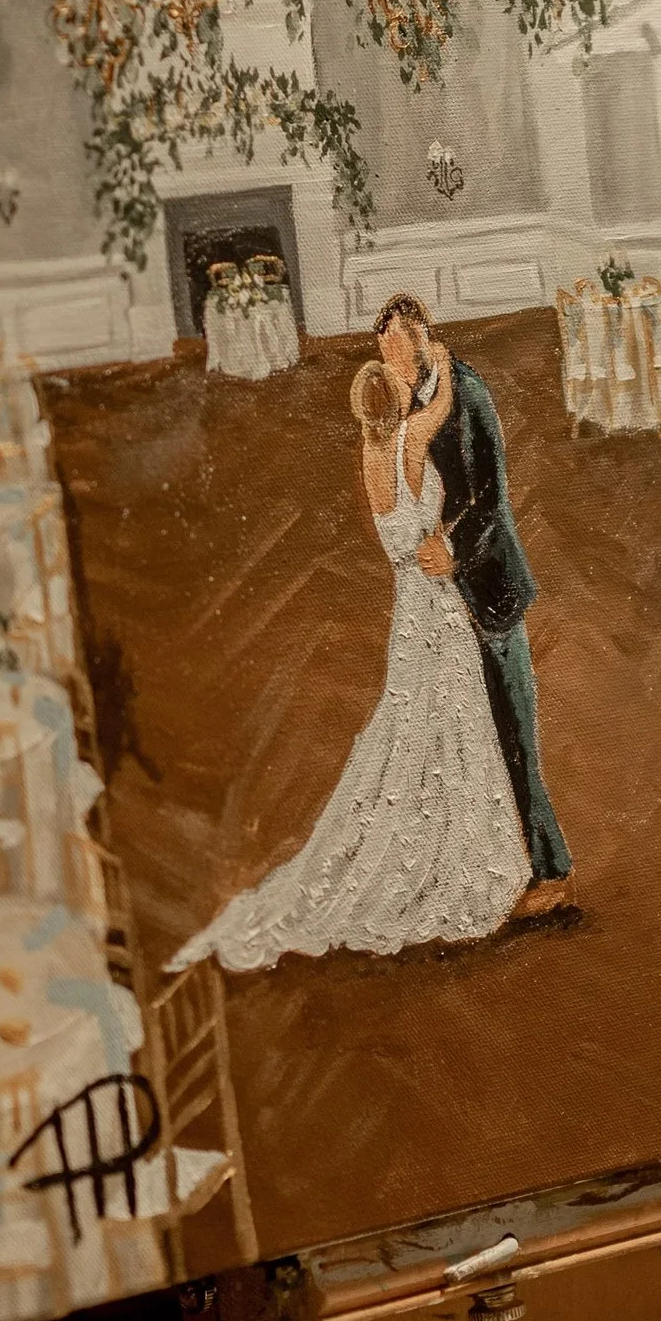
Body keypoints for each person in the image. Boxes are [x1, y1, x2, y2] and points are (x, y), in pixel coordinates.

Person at [166, 351, 529, 974]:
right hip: (436, 604)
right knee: (452, 723)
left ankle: (420, 838)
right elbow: (440, 406)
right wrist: (437, 358)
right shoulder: (409, 446)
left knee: (413, 721)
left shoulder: (369, 460)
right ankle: (456, 854)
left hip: (406, 606)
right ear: (392, 404)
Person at [372, 292, 573, 912]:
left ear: (423, 337)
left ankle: (554, 871)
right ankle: (492, 864)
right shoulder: (415, 405)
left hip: (489, 590)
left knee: (514, 734)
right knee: (472, 742)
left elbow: (491, 497)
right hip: (444, 606)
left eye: (398, 355)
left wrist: (454, 552)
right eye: (384, 359)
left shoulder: (470, 393)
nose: (393, 370)